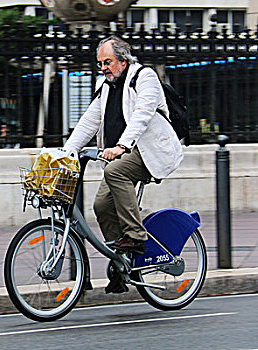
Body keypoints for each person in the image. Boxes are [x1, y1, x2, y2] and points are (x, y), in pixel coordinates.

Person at [64, 36, 184, 293]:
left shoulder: (145, 77)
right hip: (123, 154)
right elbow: (89, 121)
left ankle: (136, 236)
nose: (103, 67)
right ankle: (121, 263)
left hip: (148, 150)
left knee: (115, 171)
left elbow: (142, 114)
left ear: (122, 60)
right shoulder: (105, 85)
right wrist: (67, 151)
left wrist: (122, 145)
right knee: (101, 205)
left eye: (107, 62)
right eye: (100, 63)